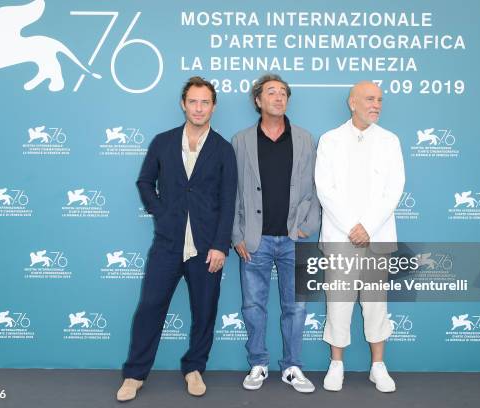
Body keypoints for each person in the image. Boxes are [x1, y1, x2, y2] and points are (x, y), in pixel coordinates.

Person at [117, 77, 237, 401]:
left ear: (213, 106)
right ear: (183, 104)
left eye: (205, 102)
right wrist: (162, 212)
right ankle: (134, 374)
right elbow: (144, 182)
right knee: (149, 308)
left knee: (205, 311)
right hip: (167, 244)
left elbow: (229, 202)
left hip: (206, 248)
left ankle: (194, 367)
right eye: (193, 102)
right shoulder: (163, 142)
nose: (199, 108)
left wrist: (220, 245)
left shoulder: (224, 149)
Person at [232, 73, 320, 393]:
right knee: (253, 306)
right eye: (271, 92)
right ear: (258, 101)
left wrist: (307, 226)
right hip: (254, 240)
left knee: (296, 307)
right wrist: (236, 234)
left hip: (293, 240)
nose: (279, 97)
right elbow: (233, 191)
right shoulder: (241, 140)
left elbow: (315, 187)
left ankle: (292, 367)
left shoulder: (305, 138)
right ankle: (258, 363)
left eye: (283, 93)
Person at [315, 81, 405, 393]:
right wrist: (352, 225)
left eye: (379, 100)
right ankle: (336, 364)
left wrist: (367, 225)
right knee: (338, 302)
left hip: (377, 237)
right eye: (369, 99)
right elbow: (326, 189)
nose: (376, 105)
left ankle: (378, 366)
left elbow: (393, 189)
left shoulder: (390, 141)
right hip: (340, 237)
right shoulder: (330, 140)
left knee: (376, 304)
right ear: (353, 103)